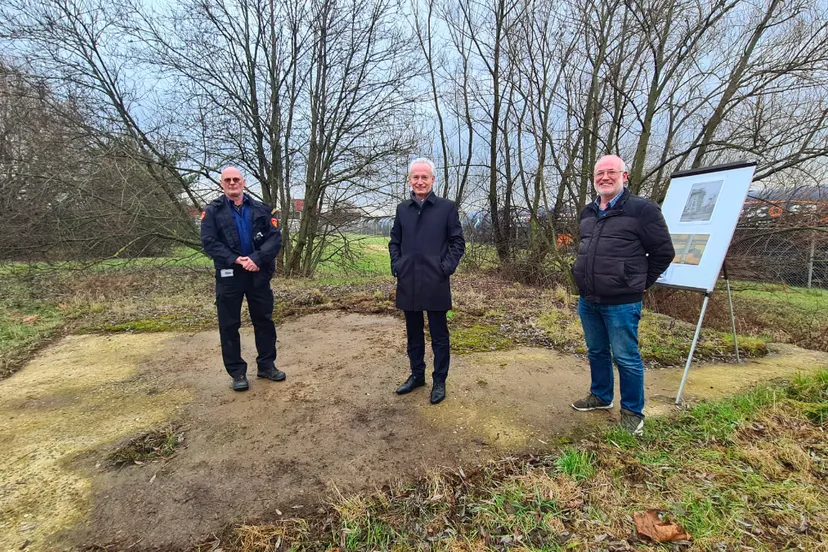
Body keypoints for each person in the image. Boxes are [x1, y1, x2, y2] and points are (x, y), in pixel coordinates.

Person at [570, 155, 675, 435]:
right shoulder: (588, 212)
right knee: (597, 351)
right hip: (588, 299)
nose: (604, 177)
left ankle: (632, 413)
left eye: (611, 172)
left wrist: (639, 282)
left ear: (624, 176)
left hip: (622, 303)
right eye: (599, 173)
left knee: (626, 357)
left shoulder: (643, 210)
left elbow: (664, 253)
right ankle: (601, 396)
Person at [201, 167, 285, 392]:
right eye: (227, 180)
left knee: (264, 321)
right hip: (230, 276)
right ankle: (237, 372)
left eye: (235, 179)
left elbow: (275, 240)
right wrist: (237, 260)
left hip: (258, 273)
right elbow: (209, 242)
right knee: (229, 325)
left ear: (243, 182)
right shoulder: (212, 212)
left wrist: (256, 259)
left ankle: (266, 365)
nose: (232, 183)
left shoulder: (263, 209)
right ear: (222, 184)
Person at [389, 158, 465, 404]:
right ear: (409, 180)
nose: (420, 181)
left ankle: (439, 381)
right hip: (408, 280)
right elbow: (394, 242)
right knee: (413, 334)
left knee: (439, 335)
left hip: (436, 282)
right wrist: (397, 266)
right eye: (415, 177)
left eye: (424, 177)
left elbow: (457, 243)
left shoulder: (446, 208)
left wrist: (445, 269)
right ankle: (417, 375)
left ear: (433, 180)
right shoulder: (402, 209)